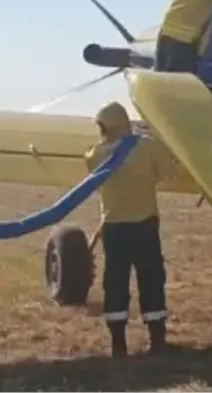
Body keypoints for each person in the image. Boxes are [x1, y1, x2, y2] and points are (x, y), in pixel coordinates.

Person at [85, 102, 178, 358]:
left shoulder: (96, 154)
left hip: (113, 228)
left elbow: (91, 164)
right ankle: (157, 341)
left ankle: (118, 344)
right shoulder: (147, 147)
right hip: (144, 224)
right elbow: (169, 172)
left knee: (115, 282)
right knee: (151, 279)